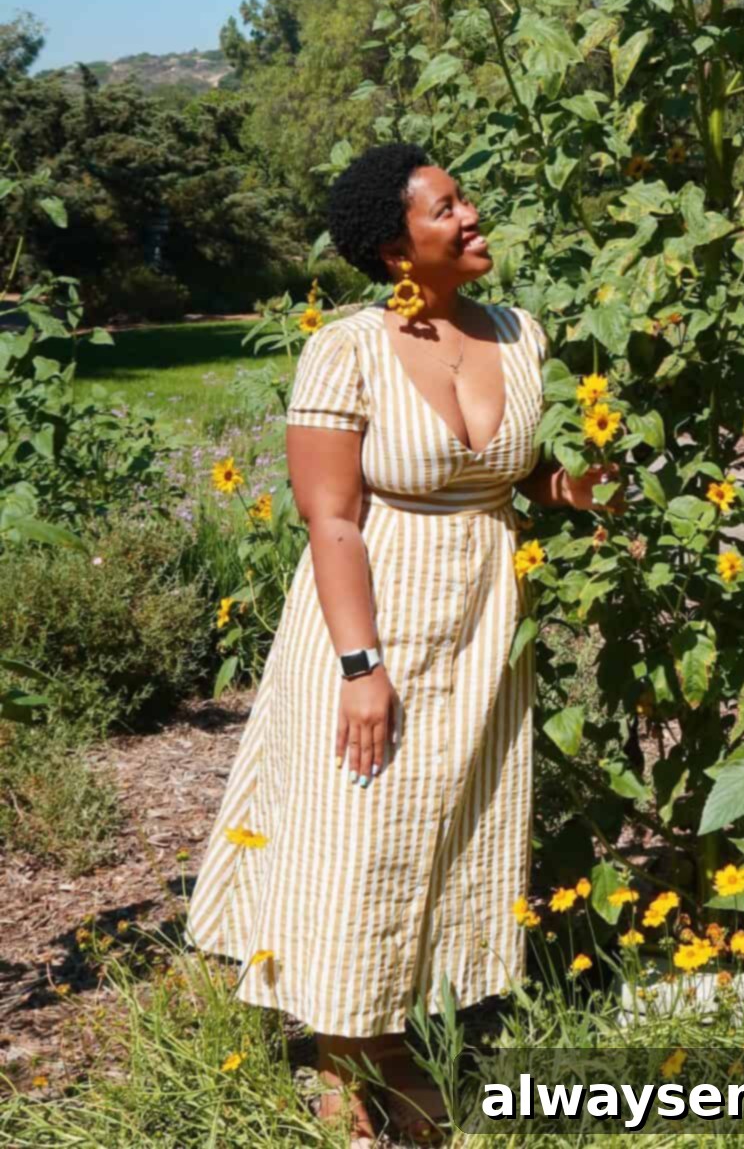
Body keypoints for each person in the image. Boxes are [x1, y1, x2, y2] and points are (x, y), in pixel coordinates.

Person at [185, 142, 623, 1144]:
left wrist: (582, 487)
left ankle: (411, 1058)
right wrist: (360, 668)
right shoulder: (347, 348)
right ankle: (346, 1085)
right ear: (395, 249)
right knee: (361, 842)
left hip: (480, 626)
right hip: (370, 619)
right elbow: (330, 517)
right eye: (445, 209)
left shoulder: (521, 333)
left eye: (464, 198)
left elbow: (519, 475)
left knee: (453, 836)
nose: (472, 216)